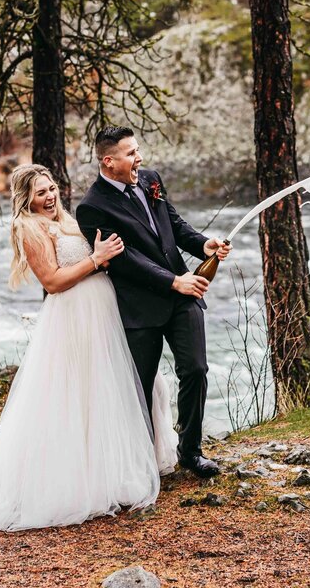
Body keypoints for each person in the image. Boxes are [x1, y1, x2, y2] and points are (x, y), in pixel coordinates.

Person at [0, 164, 177, 534]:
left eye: (52, 188)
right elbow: (53, 281)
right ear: (26, 198)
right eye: (41, 192)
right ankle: (81, 479)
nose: (50, 196)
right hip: (74, 316)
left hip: (103, 311)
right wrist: (96, 259)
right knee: (79, 394)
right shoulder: (28, 227)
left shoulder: (68, 219)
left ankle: (118, 467)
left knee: (114, 387)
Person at [76, 126, 231, 479]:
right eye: (131, 153)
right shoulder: (91, 208)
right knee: (139, 388)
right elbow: (123, 259)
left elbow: (172, 224)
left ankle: (190, 452)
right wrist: (173, 281)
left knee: (195, 369)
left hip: (183, 296)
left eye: (137, 150)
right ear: (109, 161)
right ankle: (141, 462)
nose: (139, 158)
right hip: (139, 308)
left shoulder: (150, 180)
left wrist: (203, 244)